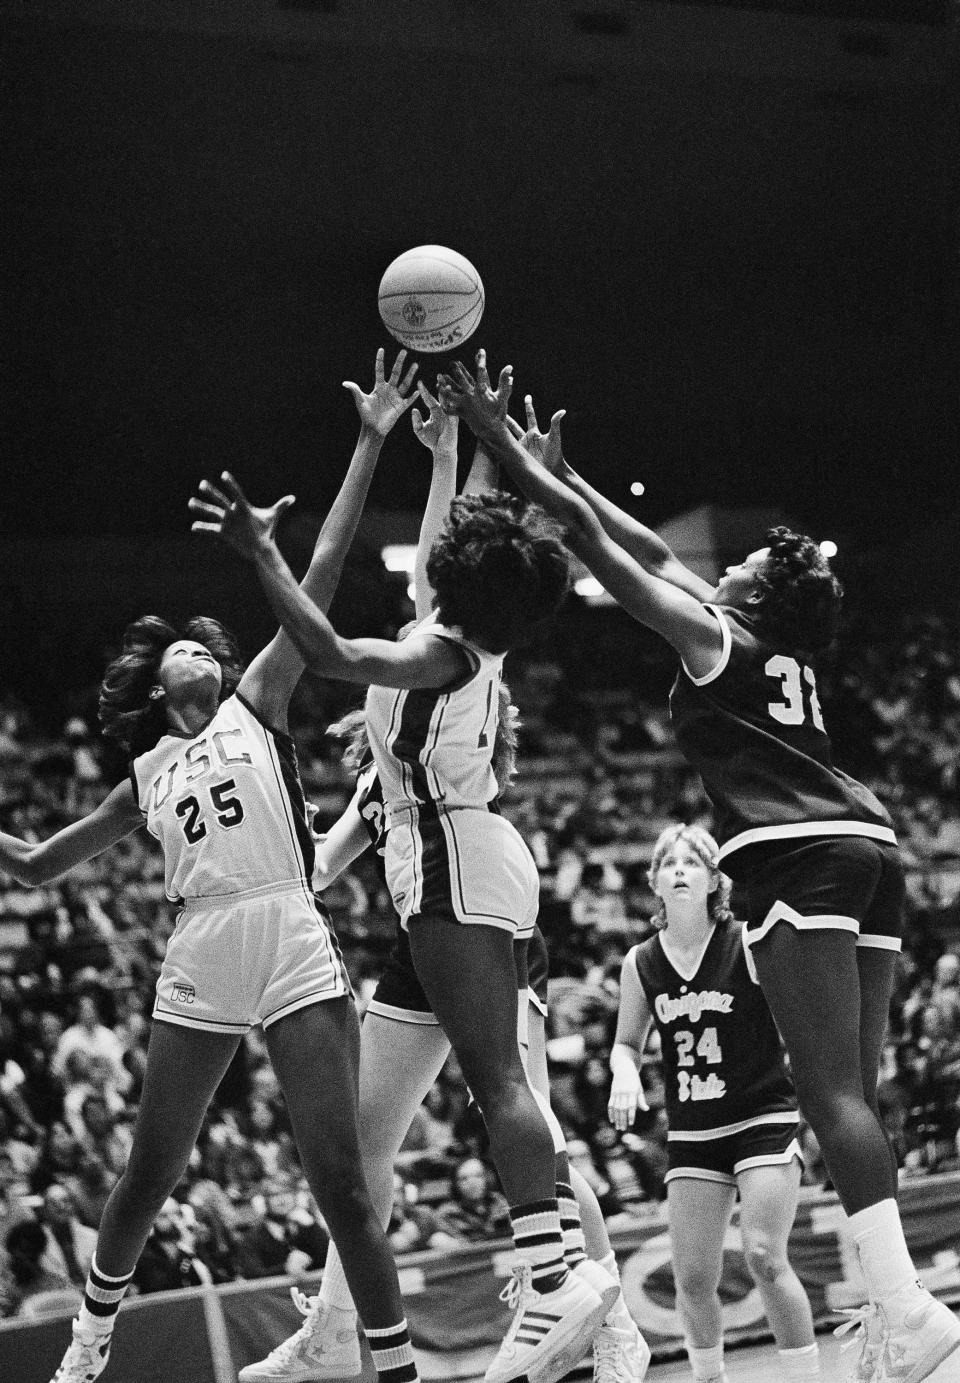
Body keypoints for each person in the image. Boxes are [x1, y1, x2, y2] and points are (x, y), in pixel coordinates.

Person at [438, 350, 960, 1383]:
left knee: (831, 1098)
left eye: (738, 568)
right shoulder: (784, 652)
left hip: (794, 854)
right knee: (858, 1092)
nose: (715, 565)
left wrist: (498, 444)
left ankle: (907, 1311)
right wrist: (567, 470)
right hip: (870, 841)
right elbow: (628, 535)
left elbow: (607, 550)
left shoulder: (719, 640)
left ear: (754, 597)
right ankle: (901, 1306)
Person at [0, 349, 428, 1383]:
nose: (202, 648)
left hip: (286, 928)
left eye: (209, 643)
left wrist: (367, 443)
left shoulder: (259, 700)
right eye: (184, 650)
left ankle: (397, 1368)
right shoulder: (143, 771)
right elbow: (37, 867)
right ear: (156, 687)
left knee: (339, 1179)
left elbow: (314, 580)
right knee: (151, 1167)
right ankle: (92, 1334)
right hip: (200, 947)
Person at [194, 400, 615, 1383]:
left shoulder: (436, 656)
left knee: (504, 1093)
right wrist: (449, 456)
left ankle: (562, 1279)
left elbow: (332, 656)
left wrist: (267, 559)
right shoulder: (466, 630)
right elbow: (450, 542)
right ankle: (341, 1328)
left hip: (456, 873)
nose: (439, 557)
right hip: (445, 876)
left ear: (457, 591)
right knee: (363, 1136)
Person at [609, 823, 820, 1383]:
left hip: (762, 1119)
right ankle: (710, 1377)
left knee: (764, 1256)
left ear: (714, 881)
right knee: (692, 1278)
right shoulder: (640, 963)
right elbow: (626, 1044)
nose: (680, 870)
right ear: (654, 882)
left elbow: (800, 1019)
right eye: (669, 863)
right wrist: (623, 1073)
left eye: (692, 862)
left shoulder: (748, 942)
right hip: (695, 1131)